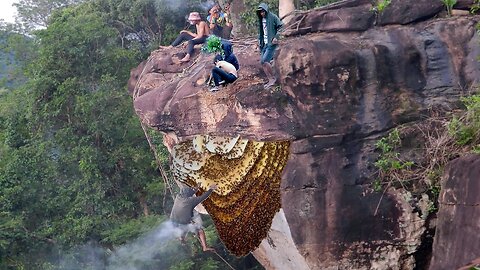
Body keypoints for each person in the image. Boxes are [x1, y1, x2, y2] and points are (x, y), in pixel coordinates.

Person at [170, 184, 217, 251]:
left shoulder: (178, 196)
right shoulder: (191, 201)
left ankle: (182, 238)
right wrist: (211, 189)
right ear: (189, 195)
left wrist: (198, 186)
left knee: (184, 226)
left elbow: (190, 192)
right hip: (183, 220)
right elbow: (203, 197)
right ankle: (205, 247)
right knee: (200, 230)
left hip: (173, 219)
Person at [256, 3, 283, 88]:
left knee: (265, 60)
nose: (262, 13)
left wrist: (276, 37)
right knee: (262, 62)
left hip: (271, 43)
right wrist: (259, 42)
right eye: (260, 12)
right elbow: (261, 32)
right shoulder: (261, 20)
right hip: (264, 43)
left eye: (263, 11)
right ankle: (270, 79)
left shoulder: (273, 17)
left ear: (266, 11)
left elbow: (281, 26)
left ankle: (274, 78)